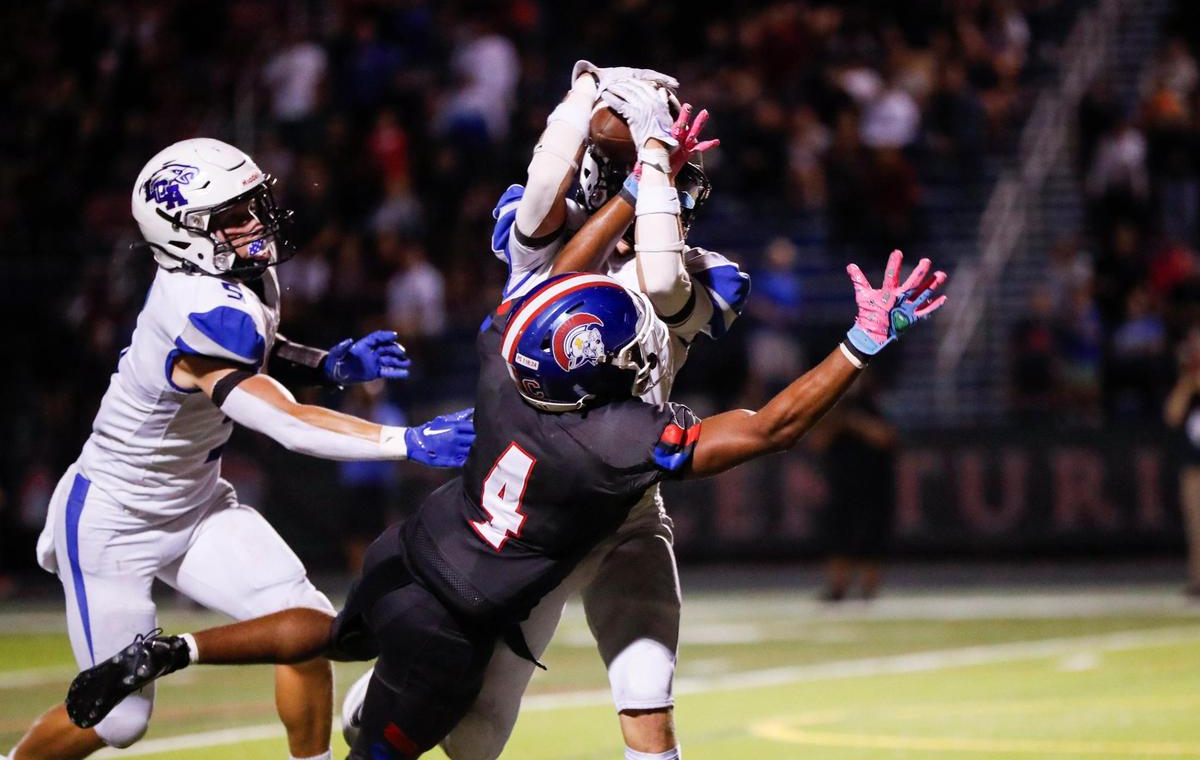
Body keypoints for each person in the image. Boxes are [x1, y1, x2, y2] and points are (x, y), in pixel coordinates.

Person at [63, 248, 946, 759]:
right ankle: (186, 656)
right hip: (455, 627)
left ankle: (175, 648)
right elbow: (772, 428)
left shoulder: (500, 360)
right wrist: (861, 344)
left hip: (410, 551)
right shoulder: (616, 442)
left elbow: (555, 278)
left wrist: (629, 194)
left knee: (330, 632)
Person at [4, 138, 476, 760]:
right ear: (183, 234)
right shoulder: (197, 308)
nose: (254, 222)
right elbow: (285, 422)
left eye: (252, 205)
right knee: (119, 721)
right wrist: (405, 441)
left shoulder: (235, 278)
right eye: (231, 216)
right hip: (114, 520)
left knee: (306, 627)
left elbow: (262, 351)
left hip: (197, 504)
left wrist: (326, 365)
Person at [345, 63, 743, 760]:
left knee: (649, 706)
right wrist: (593, 97)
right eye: (670, 180)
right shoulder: (545, 250)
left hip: (627, 510)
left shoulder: (705, 272)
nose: (679, 194)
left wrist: (645, 161)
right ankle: (375, 702)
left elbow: (658, 276)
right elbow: (541, 209)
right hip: (537, 522)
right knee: (475, 740)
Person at [809, 375, 897, 601]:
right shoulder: (831, 407)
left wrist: (854, 422)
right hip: (841, 485)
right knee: (838, 536)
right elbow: (817, 442)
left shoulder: (878, 403)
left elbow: (886, 437)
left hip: (874, 484)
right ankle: (837, 587)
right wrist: (838, 420)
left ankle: (869, 588)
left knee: (871, 537)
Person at [1163, 331, 1200, 598]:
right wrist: (1188, 384)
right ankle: (1198, 579)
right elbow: (1172, 416)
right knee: (1196, 522)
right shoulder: (1188, 385)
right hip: (1194, 460)